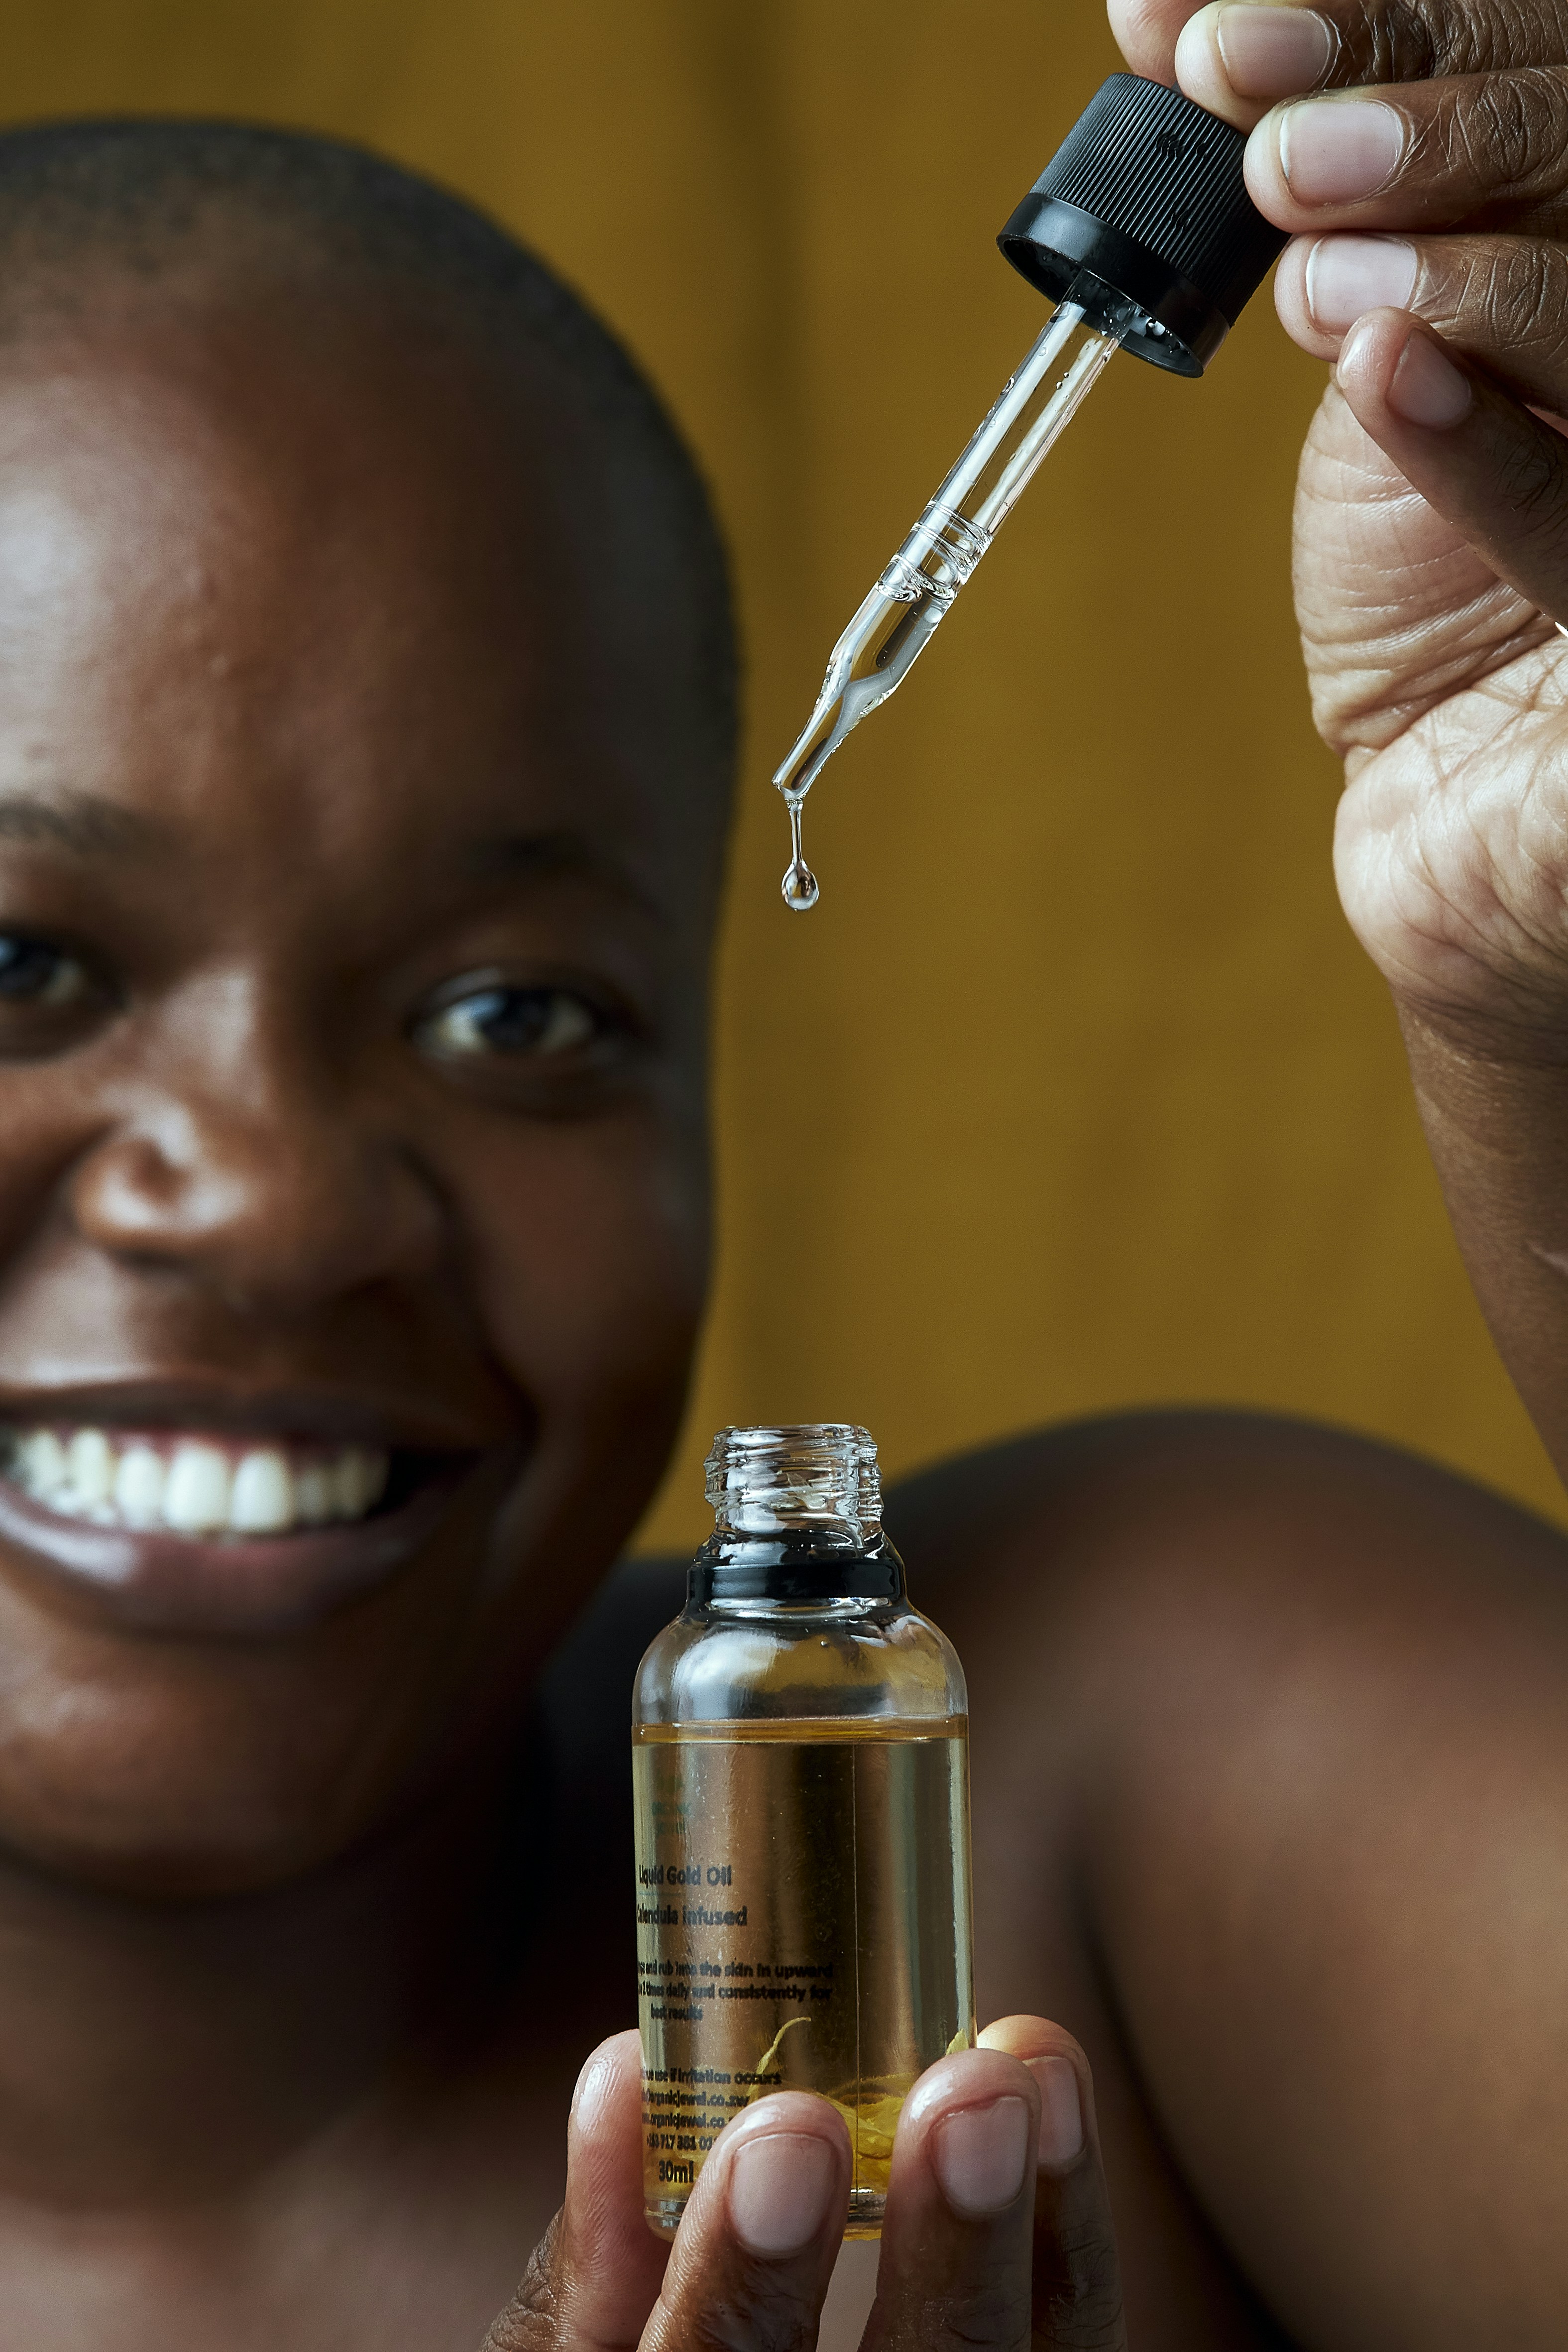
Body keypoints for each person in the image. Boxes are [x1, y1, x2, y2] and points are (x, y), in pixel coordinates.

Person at [0, 0, 1564, 2338]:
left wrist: (1522, 1012)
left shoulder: (1138, 1747)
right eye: (23, 957)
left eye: (510, 1012)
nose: (273, 1199)